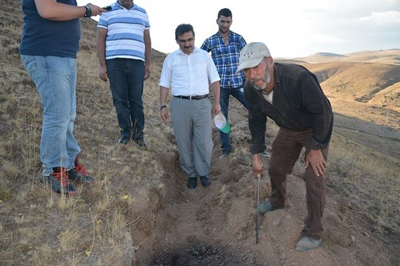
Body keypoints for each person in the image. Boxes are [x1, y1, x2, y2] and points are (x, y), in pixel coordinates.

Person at [237, 42, 334, 251]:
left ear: (270, 62)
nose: (252, 75)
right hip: (288, 130)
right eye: (246, 70)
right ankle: (277, 201)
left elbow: (323, 113)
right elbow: (256, 120)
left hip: (313, 130)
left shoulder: (297, 78)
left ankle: (314, 232)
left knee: (314, 178)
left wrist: (316, 148)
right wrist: (256, 153)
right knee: (275, 169)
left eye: (256, 67)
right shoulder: (251, 89)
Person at [19, 0, 104, 196]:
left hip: (61, 55)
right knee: (58, 115)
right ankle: (52, 170)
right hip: (46, 53)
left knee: (67, 114)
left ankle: (68, 163)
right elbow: (48, 10)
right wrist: (86, 10)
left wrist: (87, 9)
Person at [201, 8, 270, 159]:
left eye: (228, 22)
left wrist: (250, 80)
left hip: (240, 84)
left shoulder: (238, 39)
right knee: (221, 117)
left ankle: (261, 147)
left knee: (256, 111)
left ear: (231, 22)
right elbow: (200, 58)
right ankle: (226, 149)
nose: (225, 24)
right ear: (217, 21)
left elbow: (248, 58)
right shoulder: (210, 41)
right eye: (222, 21)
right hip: (221, 86)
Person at [159, 24, 221, 189]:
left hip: (202, 103)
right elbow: (164, 83)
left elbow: (214, 79)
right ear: (177, 41)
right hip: (180, 104)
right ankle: (191, 173)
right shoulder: (170, 59)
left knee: (204, 141)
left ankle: (203, 172)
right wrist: (163, 105)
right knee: (184, 140)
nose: (187, 44)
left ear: (194, 38)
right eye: (183, 41)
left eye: (190, 39)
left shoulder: (204, 57)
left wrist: (216, 103)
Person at [97, 0, 151, 147]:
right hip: (115, 62)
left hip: (137, 63)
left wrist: (148, 63)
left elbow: (147, 40)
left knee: (136, 101)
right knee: (120, 100)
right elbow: (100, 38)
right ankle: (125, 133)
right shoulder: (107, 11)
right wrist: (103, 65)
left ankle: (139, 136)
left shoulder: (143, 12)